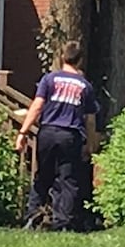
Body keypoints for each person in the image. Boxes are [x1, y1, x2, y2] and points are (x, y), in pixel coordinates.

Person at [15, 40, 98, 231]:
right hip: (71, 135)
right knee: (68, 180)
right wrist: (90, 145)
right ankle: (62, 223)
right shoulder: (85, 86)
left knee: (42, 176)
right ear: (80, 60)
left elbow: (36, 107)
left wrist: (23, 132)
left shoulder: (49, 79)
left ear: (62, 57)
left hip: (48, 133)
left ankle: (33, 217)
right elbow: (90, 120)